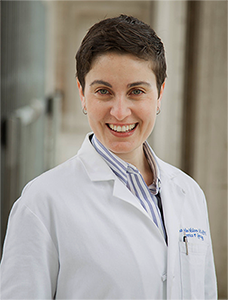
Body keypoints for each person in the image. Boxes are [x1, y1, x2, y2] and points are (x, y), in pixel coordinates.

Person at [0, 15, 217, 300]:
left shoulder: (189, 193)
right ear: (82, 94)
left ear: (160, 94)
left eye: (136, 91)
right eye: (103, 91)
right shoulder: (41, 204)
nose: (119, 112)